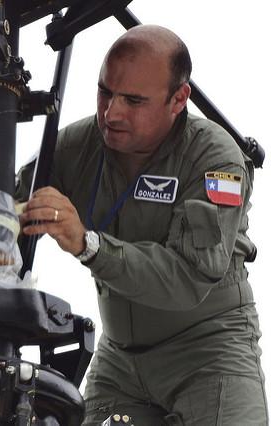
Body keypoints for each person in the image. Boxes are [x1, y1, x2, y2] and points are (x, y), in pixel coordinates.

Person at [16, 25, 267, 425]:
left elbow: (188, 277)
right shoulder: (78, 146)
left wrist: (89, 245)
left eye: (133, 100)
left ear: (178, 99)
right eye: (104, 92)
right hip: (121, 359)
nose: (111, 113)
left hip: (209, 351)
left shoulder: (216, 159)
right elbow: (4, 204)